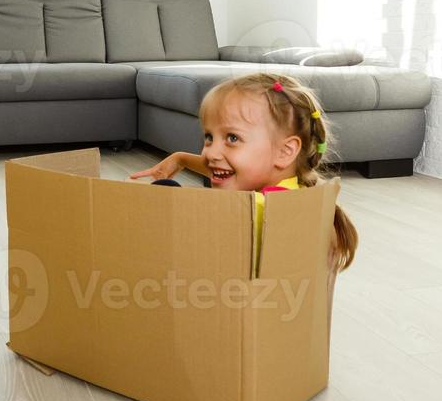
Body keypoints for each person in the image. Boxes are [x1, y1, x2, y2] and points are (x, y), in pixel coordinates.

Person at [129, 72, 359, 269]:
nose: (210, 153)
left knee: (162, 198)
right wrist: (181, 159)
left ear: (284, 151)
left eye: (232, 138)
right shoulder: (295, 190)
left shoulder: (259, 212)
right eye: (209, 137)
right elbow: (237, 169)